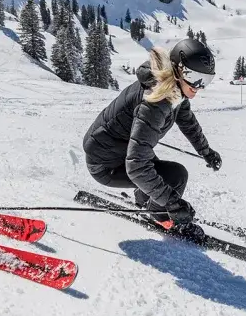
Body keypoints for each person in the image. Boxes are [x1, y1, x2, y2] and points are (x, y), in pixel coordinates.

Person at [82, 39, 222, 236]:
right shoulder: (156, 100)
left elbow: (187, 121)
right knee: (176, 176)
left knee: (159, 172)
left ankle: (145, 202)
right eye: (193, 77)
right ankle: (161, 218)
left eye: (205, 81)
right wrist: (172, 204)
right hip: (106, 164)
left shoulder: (173, 88)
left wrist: (206, 151)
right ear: (178, 69)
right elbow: (137, 166)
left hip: (118, 151)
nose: (198, 87)